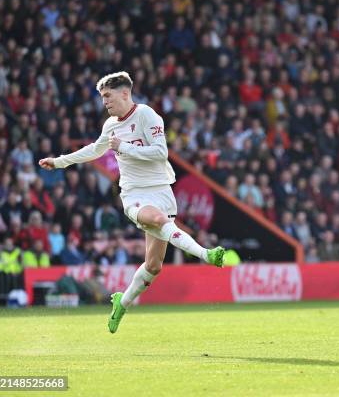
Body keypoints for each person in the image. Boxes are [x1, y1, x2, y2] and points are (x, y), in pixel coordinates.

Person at [39, 71, 226, 333]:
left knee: (154, 265)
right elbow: (94, 150)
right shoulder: (110, 125)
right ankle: (206, 254)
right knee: (159, 220)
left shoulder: (147, 115)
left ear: (125, 93)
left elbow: (161, 153)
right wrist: (59, 162)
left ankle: (121, 302)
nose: (104, 102)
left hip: (161, 190)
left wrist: (124, 147)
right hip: (134, 194)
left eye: (108, 96)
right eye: (102, 97)